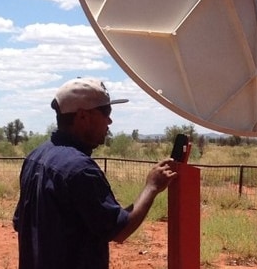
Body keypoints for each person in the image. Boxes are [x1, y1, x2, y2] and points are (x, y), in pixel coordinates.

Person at [13, 77, 177, 268]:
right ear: (83, 116)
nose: (110, 120)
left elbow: (20, 223)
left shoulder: (35, 156)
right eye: (105, 112)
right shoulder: (80, 169)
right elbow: (119, 230)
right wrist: (152, 187)